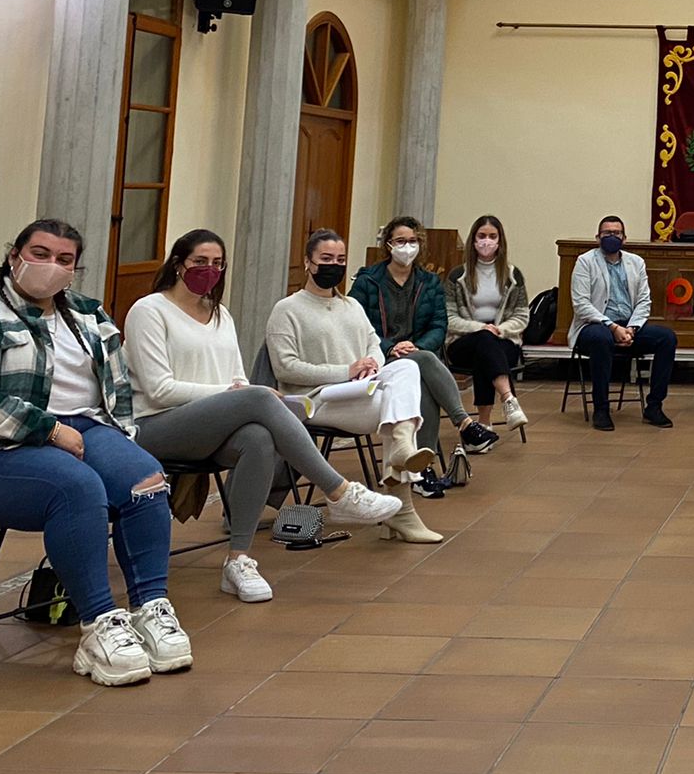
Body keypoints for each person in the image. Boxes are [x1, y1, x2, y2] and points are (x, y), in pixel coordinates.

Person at [0, 219, 190, 686]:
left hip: (82, 429)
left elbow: (117, 389)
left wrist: (118, 441)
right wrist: (49, 429)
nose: (50, 266)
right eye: (39, 253)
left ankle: (150, 609)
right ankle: (99, 625)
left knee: (145, 477)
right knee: (77, 488)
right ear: (14, 254)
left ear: (75, 270)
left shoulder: (89, 316)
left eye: (64, 260)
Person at [126, 229, 401, 601]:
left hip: (211, 425)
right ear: (178, 264)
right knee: (258, 398)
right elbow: (159, 390)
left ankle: (238, 560)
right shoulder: (149, 310)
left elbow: (237, 376)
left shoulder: (220, 314)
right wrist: (236, 394)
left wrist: (238, 392)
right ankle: (339, 491)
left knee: (258, 436)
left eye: (218, 264)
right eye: (200, 262)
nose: (210, 270)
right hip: (157, 424)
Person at [266, 230, 445, 544]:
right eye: (326, 259)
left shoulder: (351, 306)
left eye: (340, 260)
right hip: (316, 399)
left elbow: (374, 345)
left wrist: (372, 365)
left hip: (361, 390)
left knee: (405, 366)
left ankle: (402, 448)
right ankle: (402, 509)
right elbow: (285, 366)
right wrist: (345, 371)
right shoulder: (287, 308)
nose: (334, 265)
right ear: (308, 262)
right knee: (394, 409)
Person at [352, 216, 499, 476]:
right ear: (388, 244)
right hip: (381, 356)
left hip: (416, 354)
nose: (407, 246)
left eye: (412, 241)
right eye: (400, 241)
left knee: (421, 379)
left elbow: (439, 325)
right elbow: (356, 323)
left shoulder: (429, 282)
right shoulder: (368, 281)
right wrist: (390, 347)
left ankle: (423, 470)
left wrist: (417, 346)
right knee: (425, 362)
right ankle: (464, 423)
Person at [567, 215, 678, 430]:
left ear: (624, 238)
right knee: (601, 338)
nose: (612, 236)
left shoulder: (636, 262)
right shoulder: (585, 261)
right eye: (607, 233)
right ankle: (601, 409)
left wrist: (632, 328)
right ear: (597, 237)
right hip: (594, 325)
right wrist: (612, 327)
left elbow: (645, 300)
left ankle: (654, 406)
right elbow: (581, 304)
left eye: (616, 233)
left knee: (666, 338)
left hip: (629, 325)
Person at [444, 214, 531, 431]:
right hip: (463, 340)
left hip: (503, 339)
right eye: (482, 236)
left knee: (486, 350)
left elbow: (522, 315)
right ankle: (508, 399)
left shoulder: (513, 275)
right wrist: (480, 328)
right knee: (484, 341)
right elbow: (450, 317)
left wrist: (499, 329)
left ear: (500, 240)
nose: (487, 241)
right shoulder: (457, 276)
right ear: (473, 240)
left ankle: (484, 425)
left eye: (492, 236)